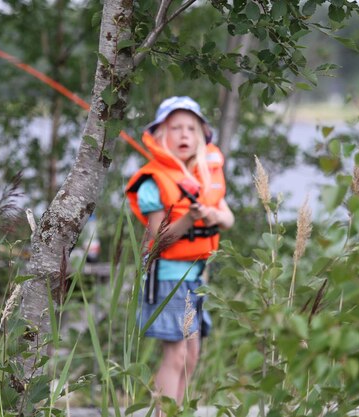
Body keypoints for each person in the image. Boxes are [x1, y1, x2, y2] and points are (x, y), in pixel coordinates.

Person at [126, 96, 234, 407]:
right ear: (160, 135)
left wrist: (212, 216)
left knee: (192, 355)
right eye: (175, 128)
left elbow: (228, 218)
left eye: (190, 128)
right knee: (176, 355)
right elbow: (160, 239)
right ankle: (163, 413)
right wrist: (189, 218)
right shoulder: (153, 183)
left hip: (196, 277)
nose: (184, 135)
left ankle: (177, 411)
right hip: (168, 278)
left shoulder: (204, 176)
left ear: (201, 135)